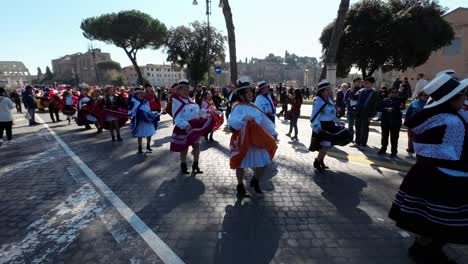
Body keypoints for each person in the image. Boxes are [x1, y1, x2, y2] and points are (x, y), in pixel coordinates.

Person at [389, 74, 468, 264]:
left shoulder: (435, 116)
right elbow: (456, 155)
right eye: (462, 95)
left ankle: (422, 248)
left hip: (426, 173)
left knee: (426, 218)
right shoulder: (453, 122)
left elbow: (428, 149)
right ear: (452, 99)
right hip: (447, 178)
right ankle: (429, 253)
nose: (465, 98)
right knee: (441, 221)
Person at [228, 78, 278, 196]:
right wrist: (243, 119)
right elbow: (232, 120)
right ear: (241, 94)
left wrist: (272, 133)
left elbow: (264, 121)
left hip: (256, 140)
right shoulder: (237, 106)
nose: (250, 94)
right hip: (242, 140)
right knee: (240, 165)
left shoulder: (254, 106)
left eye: (251, 91)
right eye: (247, 92)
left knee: (262, 163)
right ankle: (240, 186)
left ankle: (255, 180)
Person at [170, 80, 215, 174]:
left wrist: (207, 111)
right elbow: (177, 118)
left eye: (187, 89)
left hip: (193, 128)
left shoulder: (191, 101)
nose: (186, 91)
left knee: (196, 146)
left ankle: (195, 165)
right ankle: (183, 166)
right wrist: (185, 125)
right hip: (183, 128)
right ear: (178, 91)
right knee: (184, 148)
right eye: (183, 89)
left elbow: (198, 112)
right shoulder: (177, 103)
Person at [309, 80, 350, 171]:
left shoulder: (329, 100)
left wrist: (338, 122)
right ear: (321, 91)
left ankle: (320, 161)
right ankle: (317, 162)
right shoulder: (318, 101)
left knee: (326, 145)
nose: (329, 92)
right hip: (322, 127)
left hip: (330, 125)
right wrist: (317, 128)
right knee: (326, 145)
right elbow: (313, 117)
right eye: (327, 90)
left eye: (330, 90)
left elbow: (332, 114)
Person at [129, 88, 159, 154]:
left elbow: (148, 110)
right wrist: (137, 113)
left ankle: (148, 145)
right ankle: (139, 147)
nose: (141, 94)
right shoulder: (134, 102)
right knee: (140, 134)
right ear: (136, 94)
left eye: (142, 93)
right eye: (139, 93)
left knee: (149, 133)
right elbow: (130, 111)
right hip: (140, 121)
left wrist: (150, 115)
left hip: (147, 120)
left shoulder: (145, 101)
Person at [354, 76, 380, 150]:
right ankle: (357, 142)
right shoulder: (361, 91)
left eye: (367, 83)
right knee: (357, 128)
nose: (365, 84)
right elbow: (354, 98)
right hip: (358, 112)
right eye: (364, 82)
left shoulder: (375, 93)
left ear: (372, 84)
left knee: (364, 129)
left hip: (367, 114)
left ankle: (363, 144)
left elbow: (375, 106)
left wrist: (371, 116)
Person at [378, 88, 405, 158]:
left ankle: (394, 151)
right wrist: (386, 109)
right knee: (384, 136)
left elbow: (402, 107)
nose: (395, 93)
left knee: (394, 138)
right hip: (385, 121)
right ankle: (383, 149)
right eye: (393, 92)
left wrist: (395, 108)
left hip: (396, 122)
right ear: (389, 93)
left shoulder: (400, 100)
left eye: (396, 92)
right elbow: (379, 108)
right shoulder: (384, 100)